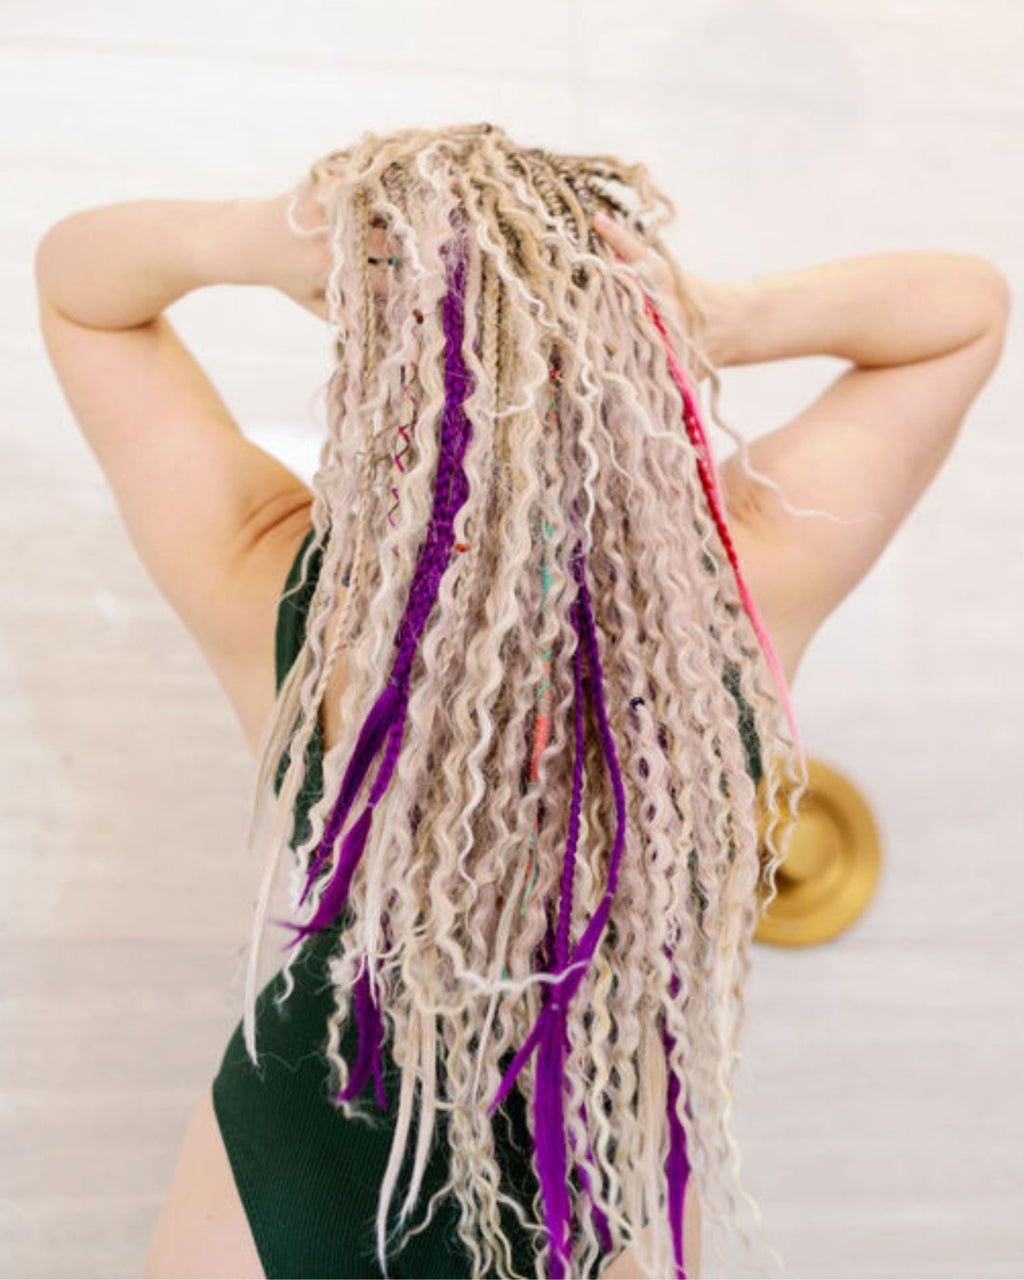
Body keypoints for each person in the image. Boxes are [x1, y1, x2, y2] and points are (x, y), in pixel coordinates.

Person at [35, 122, 1010, 1280]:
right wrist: (717, 312)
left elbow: (78, 291)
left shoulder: (288, 588)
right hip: (575, 1197)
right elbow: (966, 313)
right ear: (627, 370)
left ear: (379, 384)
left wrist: (254, 238)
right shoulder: (730, 592)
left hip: (291, 1164)